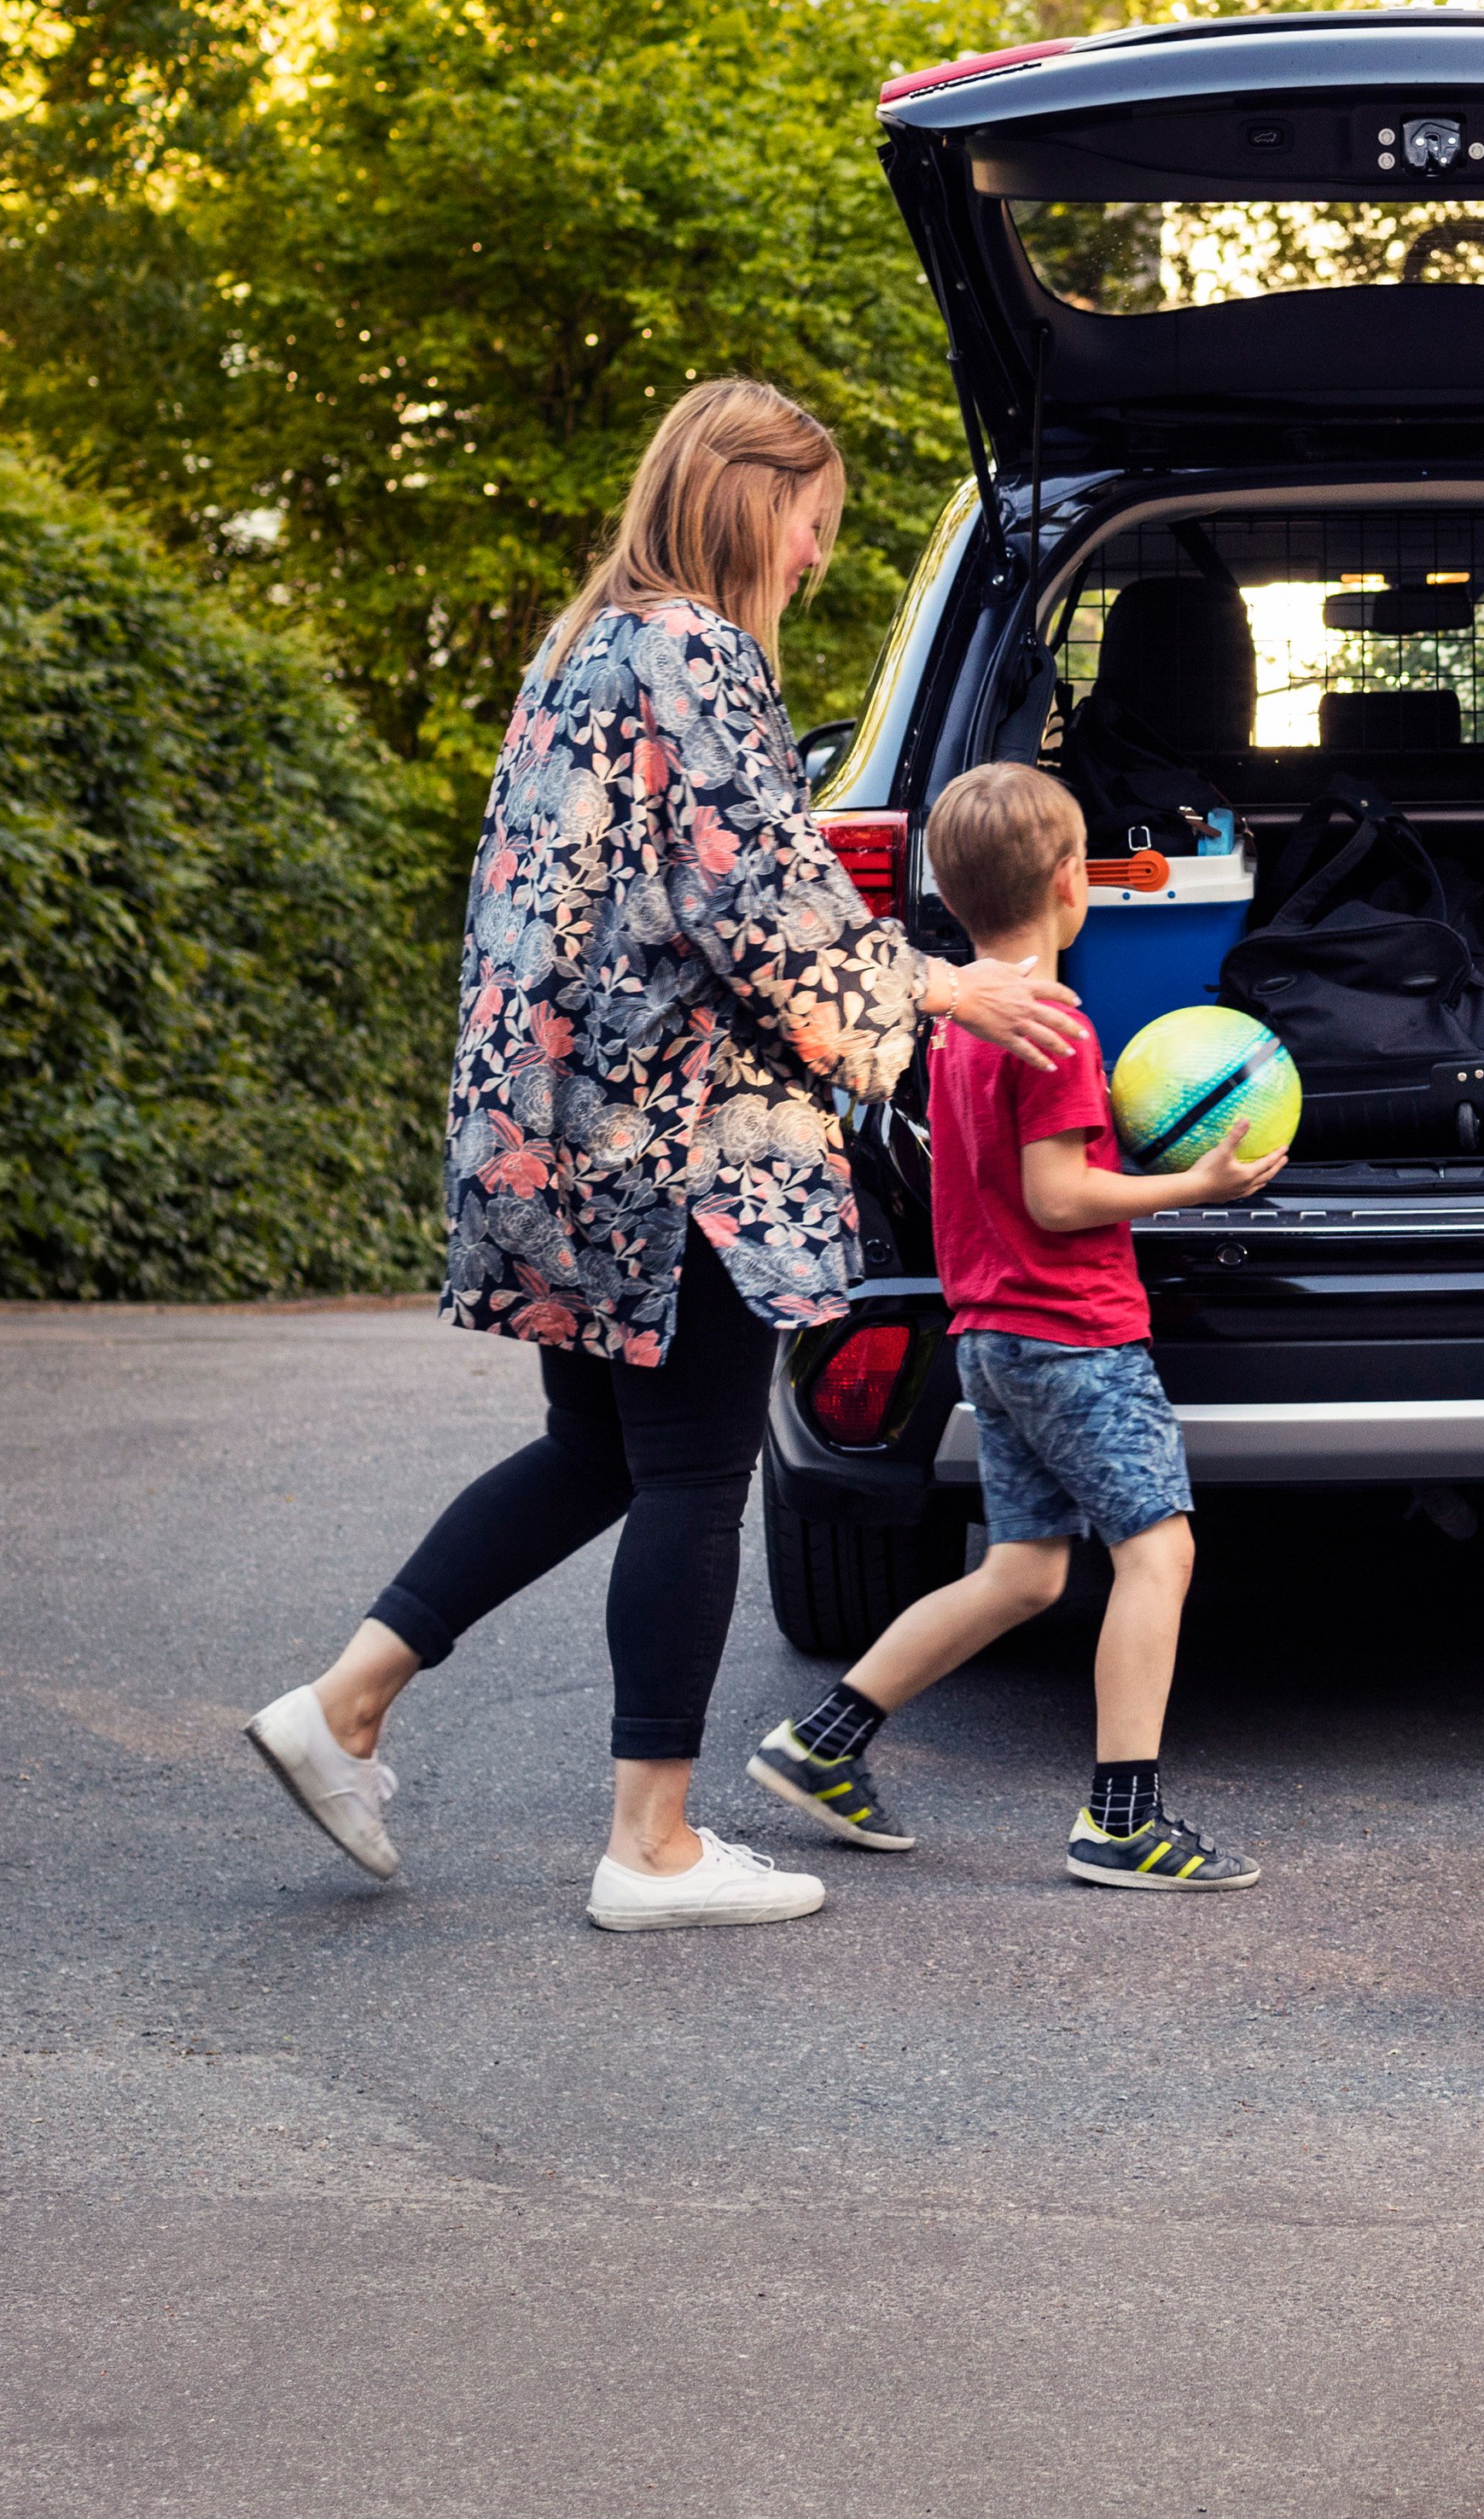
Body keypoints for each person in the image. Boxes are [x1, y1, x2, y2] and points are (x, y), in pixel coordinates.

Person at [241, 378, 1087, 1929]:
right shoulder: (698, 652)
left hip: (553, 1124)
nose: (816, 558)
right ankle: (653, 1848)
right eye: (813, 524)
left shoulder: (584, 645)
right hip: (671, 1139)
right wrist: (943, 987)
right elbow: (754, 906)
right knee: (694, 1471)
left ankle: (342, 1704)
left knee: (596, 1454)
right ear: (750, 501)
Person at [738, 763, 1286, 1886]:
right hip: (1074, 1332)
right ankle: (1122, 1821)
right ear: (1075, 883)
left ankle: (822, 1741)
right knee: (1160, 1551)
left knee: (1027, 1572)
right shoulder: (1058, 1029)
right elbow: (1058, 1195)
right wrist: (1195, 1188)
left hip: (993, 1333)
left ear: (946, 895)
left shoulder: (960, 1026)